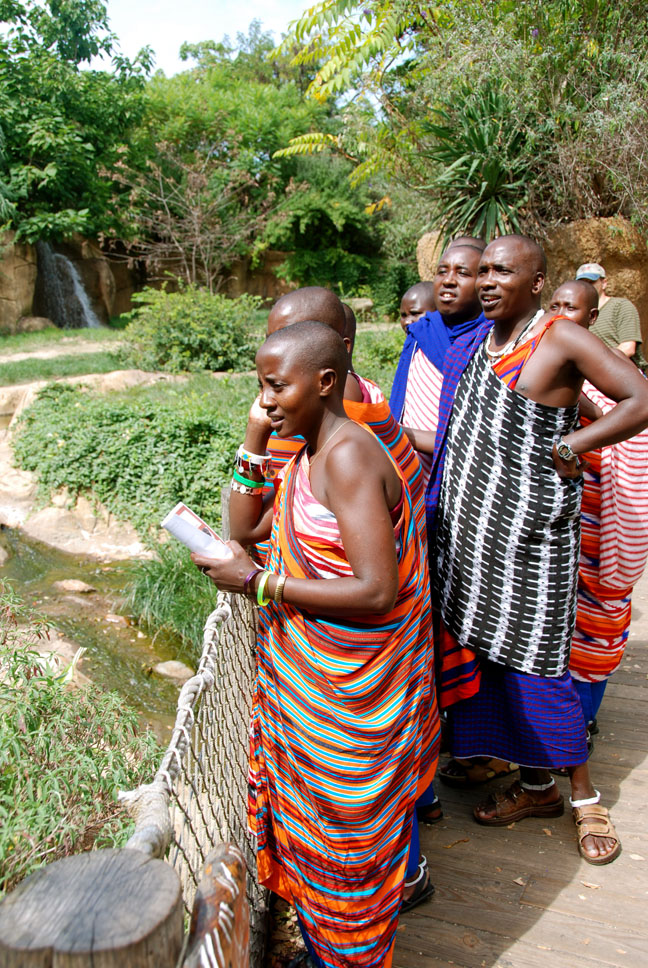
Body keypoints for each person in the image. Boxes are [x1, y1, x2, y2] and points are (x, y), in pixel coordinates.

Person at [193, 321, 439, 968]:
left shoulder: (349, 457)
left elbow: (376, 591)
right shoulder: (306, 453)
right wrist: (256, 432)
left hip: (352, 710)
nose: (266, 399)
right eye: (260, 386)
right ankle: (329, 948)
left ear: (326, 382)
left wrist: (259, 583)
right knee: (320, 852)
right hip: (314, 698)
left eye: (276, 386)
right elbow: (243, 525)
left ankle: (348, 954)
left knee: (348, 856)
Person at [427, 235, 648, 865]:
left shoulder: (560, 337)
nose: (489, 281)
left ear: (536, 280)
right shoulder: (480, 341)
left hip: (530, 544)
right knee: (487, 664)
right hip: (471, 541)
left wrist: (575, 446)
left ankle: (584, 798)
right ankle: (533, 786)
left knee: (539, 668)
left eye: (504, 271)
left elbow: (639, 399)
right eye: (485, 271)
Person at [251, 288, 425, 551]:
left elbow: (253, 525)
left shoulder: (336, 423)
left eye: (297, 334)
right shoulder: (316, 408)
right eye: (272, 338)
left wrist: (259, 580)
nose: (279, 347)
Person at [547, 280, 648, 732]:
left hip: (610, 531)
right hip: (568, 533)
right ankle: (567, 723)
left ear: (592, 318)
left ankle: (583, 721)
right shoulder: (552, 373)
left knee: (599, 631)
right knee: (564, 633)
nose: (561, 314)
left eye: (572, 307)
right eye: (555, 305)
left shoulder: (622, 381)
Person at [390, 239, 486, 489]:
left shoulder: (493, 341)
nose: (448, 280)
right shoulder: (421, 333)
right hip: (412, 471)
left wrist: (399, 433)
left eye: (463, 273)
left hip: (470, 476)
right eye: (442, 271)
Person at [575, 262, 646, 370]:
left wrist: (597, 364)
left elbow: (628, 347)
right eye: (583, 283)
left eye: (591, 282)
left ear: (604, 283)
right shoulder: (577, 314)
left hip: (623, 371)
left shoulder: (620, 306)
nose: (587, 287)